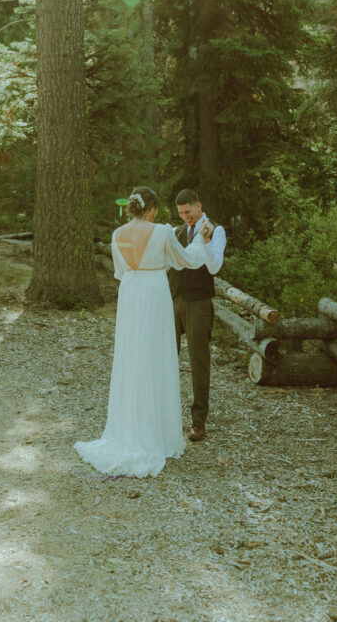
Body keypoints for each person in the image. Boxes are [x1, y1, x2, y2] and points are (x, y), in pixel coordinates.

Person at [74, 186, 218, 478]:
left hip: (130, 293)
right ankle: (155, 434)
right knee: (155, 356)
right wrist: (202, 240)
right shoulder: (163, 230)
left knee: (131, 357)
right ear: (151, 208)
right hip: (153, 293)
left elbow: (118, 271)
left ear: (132, 207)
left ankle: (129, 429)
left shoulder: (117, 236)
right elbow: (187, 261)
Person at [168, 189, 226, 442]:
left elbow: (214, 267)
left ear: (199, 206)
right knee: (168, 357)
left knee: (198, 361)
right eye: (180, 213)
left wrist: (204, 241)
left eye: (188, 212)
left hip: (199, 303)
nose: (185, 217)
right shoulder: (175, 232)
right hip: (173, 300)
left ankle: (198, 420)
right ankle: (166, 417)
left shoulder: (217, 230)